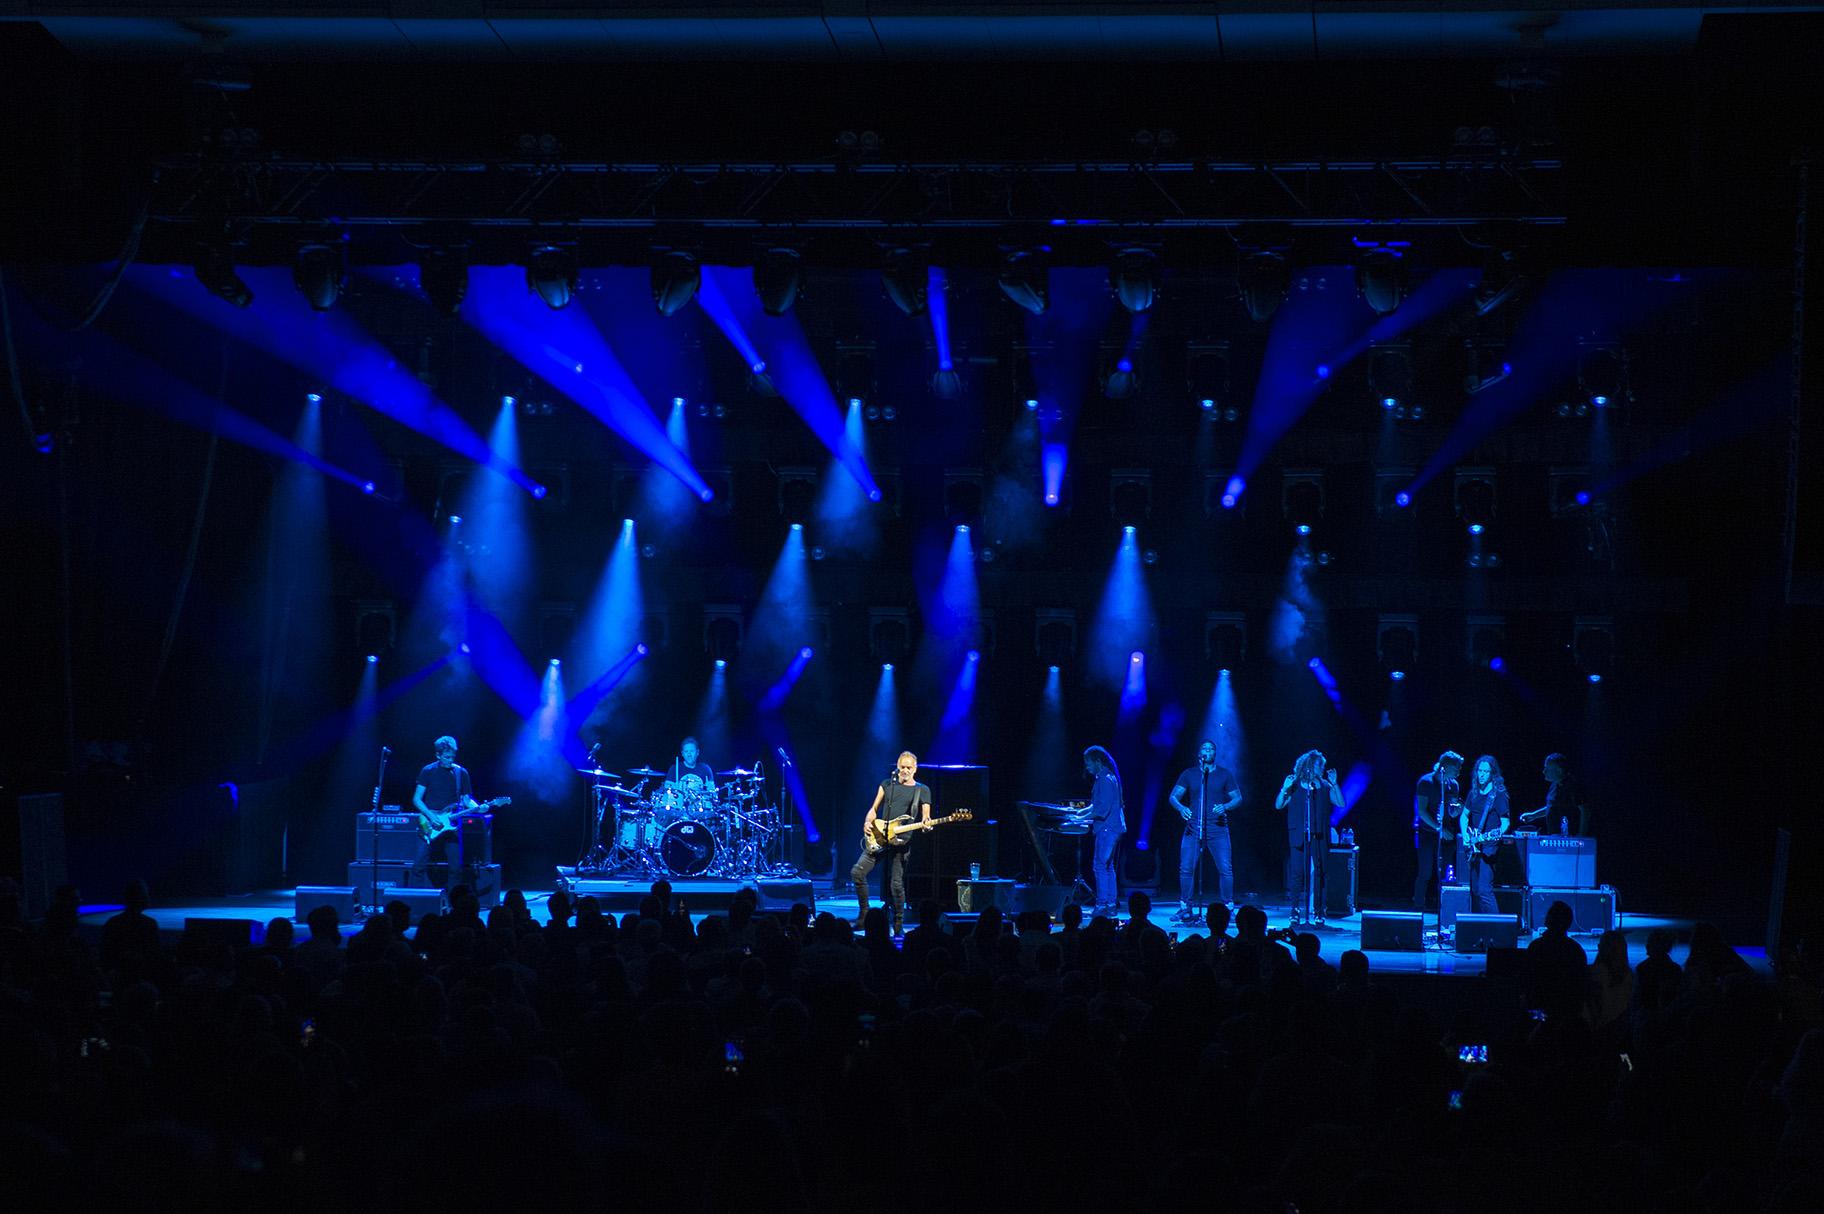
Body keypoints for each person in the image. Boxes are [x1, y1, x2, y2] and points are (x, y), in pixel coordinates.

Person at [849, 751, 932, 934]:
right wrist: (867, 822)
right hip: (880, 838)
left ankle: (898, 924)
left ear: (915, 768)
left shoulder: (922, 790)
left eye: (909, 767)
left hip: (901, 842)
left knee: (896, 884)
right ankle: (864, 915)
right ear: (897, 766)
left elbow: (926, 816)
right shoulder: (887, 784)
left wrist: (926, 824)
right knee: (857, 872)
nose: (905, 771)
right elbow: (874, 808)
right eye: (902, 767)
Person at [1170, 739, 1242, 921]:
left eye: (1211, 749)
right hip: (1193, 827)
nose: (1207, 751)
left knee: (1225, 868)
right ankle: (1185, 907)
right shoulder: (1189, 774)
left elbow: (1238, 798)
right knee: (1186, 868)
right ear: (1199, 753)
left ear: (1215, 754)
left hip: (1218, 829)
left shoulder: (1225, 774)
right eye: (1204, 748)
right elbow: (1173, 797)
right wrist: (1181, 808)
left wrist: (1225, 806)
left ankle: (1228, 907)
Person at [1276, 750, 1343, 925]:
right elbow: (1279, 805)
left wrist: (1335, 784)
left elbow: (1341, 803)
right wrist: (1284, 788)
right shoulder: (1295, 784)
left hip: (1319, 835)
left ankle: (1319, 910)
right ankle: (1295, 910)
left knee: (1321, 872)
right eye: (1321, 765)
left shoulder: (1325, 785)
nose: (1323, 768)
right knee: (1297, 873)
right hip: (1299, 834)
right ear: (1311, 765)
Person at [412, 735, 474, 888]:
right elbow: (417, 799)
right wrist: (432, 817)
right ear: (437, 755)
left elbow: (467, 801)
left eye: (452, 756)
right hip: (429, 823)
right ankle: (418, 902)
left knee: (455, 868)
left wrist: (480, 807)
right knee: (418, 866)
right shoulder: (428, 771)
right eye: (446, 757)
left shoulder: (461, 773)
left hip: (451, 825)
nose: (450, 760)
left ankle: (454, 905)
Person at [1457, 754, 1510, 915]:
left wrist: (1493, 835)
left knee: (1484, 890)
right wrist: (1465, 834)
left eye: (1486, 771)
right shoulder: (1473, 793)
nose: (1481, 774)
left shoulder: (1499, 794)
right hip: (1474, 846)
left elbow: (1506, 823)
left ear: (1492, 773)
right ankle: (1478, 926)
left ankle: (1497, 928)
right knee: (1474, 890)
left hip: (1489, 846)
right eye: (1479, 770)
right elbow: (1464, 816)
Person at [1411, 751, 1463, 910]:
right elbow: (1422, 811)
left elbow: (1451, 811)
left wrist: (1456, 811)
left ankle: (1444, 909)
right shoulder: (1426, 782)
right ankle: (1418, 907)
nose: (1458, 772)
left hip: (1446, 834)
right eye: (1456, 769)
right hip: (1427, 832)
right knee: (1425, 872)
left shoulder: (1453, 785)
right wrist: (1438, 828)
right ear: (1445, 767)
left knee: (1446, 873)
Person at [1083, 745, 1125, 916]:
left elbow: (1102, 810)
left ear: (1098, 762)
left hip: (1108, 829)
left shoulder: (1105, 779)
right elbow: (1097, 805)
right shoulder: (1106, 777)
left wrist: (1082, 819)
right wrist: (1080, 812)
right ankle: (1109, 905)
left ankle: (1102, 905)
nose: (1087, 767)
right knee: (1107, 867)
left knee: (1100, 866)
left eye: (1088, 763)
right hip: (1111, 828)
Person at [1519, 753, 1588, 836]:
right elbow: (1552, 806)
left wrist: (1581, 835)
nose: (1544, 771)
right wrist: (1534, 815)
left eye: (1547, 768)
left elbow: (1585, 811)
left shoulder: (1572, 786)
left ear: (1559, 770)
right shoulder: (1555, 785)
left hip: (1570, 838)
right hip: (1556, 836)